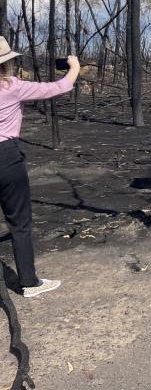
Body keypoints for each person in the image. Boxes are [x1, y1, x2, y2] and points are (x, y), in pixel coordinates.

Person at [0, 36, 79, 297]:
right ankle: (29, 283)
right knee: (19, 223)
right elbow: (59, 87)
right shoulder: (12, 87)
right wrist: (74, 67)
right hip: (6, 157)